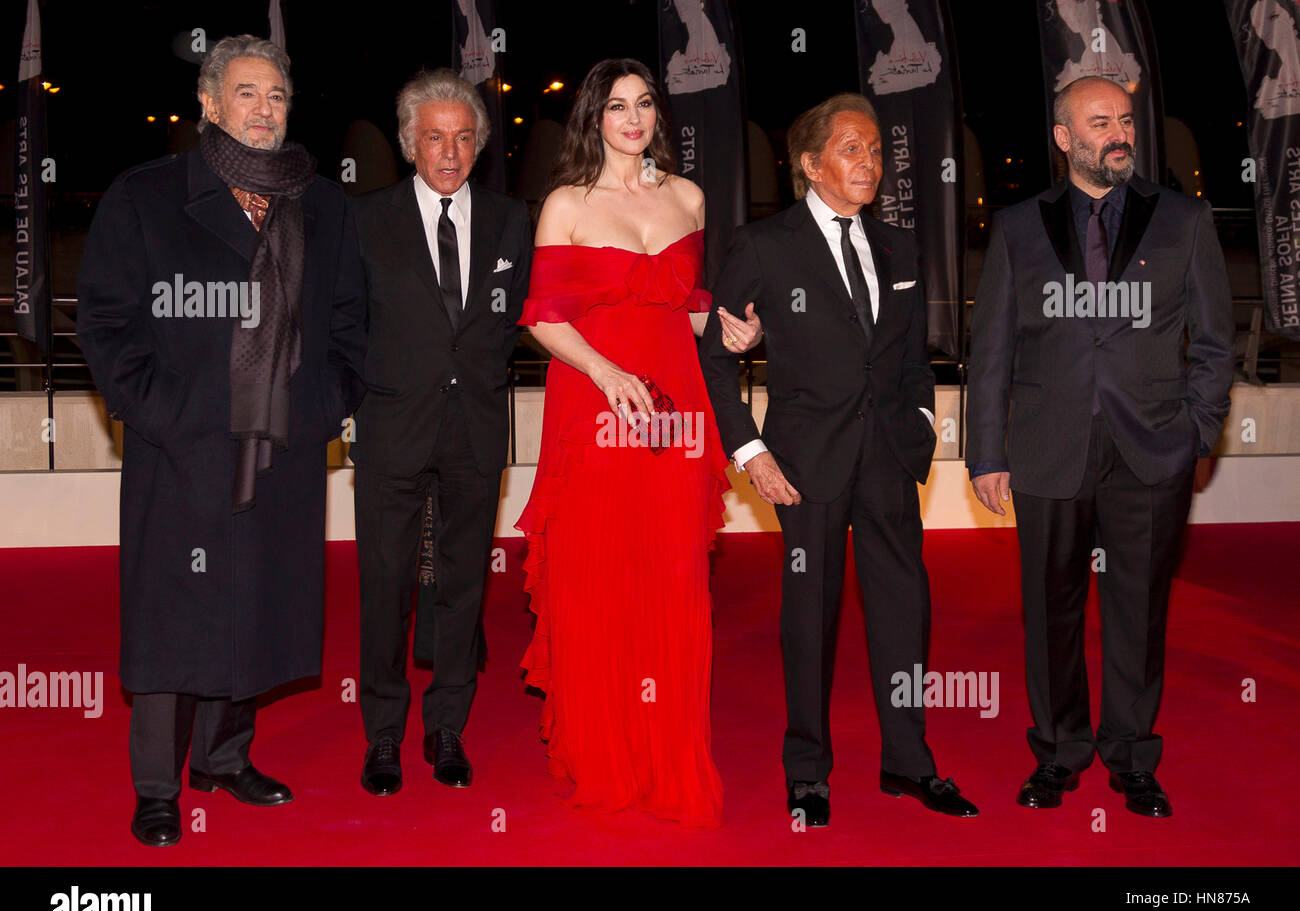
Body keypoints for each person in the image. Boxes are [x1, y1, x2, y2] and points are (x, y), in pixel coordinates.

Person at [75, 35, 367, 847]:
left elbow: (348, 323)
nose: (264, 109)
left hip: (284, 446)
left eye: (276, 95)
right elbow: (104, 324)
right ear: (208, 104)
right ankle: (158, 786)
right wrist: (168, 415)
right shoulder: (146, 197)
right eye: (245, 93)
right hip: (183, 448)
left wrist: (320, 409)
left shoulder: (324, 205)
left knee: (255, 602)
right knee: (174, 618)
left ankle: (224, 758)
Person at [699, 92, 978, 827]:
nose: (870, 163)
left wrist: (920, 419)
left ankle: (908, 762)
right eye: (851, 149)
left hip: (889, 458)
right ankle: (807, 771)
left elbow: (913, 355)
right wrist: (751, 451)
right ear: (811, 164)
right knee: (810, 619)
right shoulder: (763, 247)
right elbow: (715, 361)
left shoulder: (898, 247)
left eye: (876, 150)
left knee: (904, 612)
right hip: (802, 466)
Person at [966, 76, 1234, 817]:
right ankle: (1057, 753)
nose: (1118, 131)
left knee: (1139, 609)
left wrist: (1197, 433)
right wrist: (987, 450)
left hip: (1152, 449)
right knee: (1049, 609)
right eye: (1099, 121)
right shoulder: (1019, 225)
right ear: (1064, 138)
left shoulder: (1184, 218)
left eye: (1124, 119)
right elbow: (990, 349)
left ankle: (1131, 756)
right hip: (1049, 448)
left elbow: (1214, 343)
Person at [515, 57, 756, 827]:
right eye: (616, 106)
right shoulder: (566, 204)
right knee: (596, 572)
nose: (632, 117)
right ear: (593, 119)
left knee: (671, 573)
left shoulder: (687, 197)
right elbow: (544, 317)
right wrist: (604, 369)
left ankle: (667, 753)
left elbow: (682, 313)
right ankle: (605, 754)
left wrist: (729, 329)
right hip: (593, 404)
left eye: (644, 104)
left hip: (674, 410)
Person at [350, 68, 533, 795]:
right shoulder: (363, 220)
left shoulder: (512, 220)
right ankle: (384, 736)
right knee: (386, 584)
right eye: (434, 137)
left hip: (476, 432)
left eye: (463, 137)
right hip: (392, 426)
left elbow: (531, 315)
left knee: (462, 586)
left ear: (479, 145)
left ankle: (447, 728)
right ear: (409, 144)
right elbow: (343, 324)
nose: (449, 152)